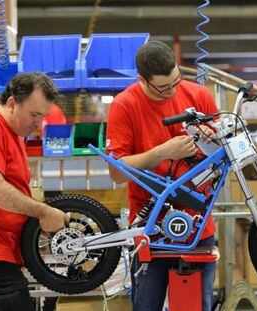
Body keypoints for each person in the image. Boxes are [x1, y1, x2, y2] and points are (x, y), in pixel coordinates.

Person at [106, 41, 218, 311]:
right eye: (164, 87)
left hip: (198, 225)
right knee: (146, 306)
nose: (172, 91)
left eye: (176, 81)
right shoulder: (125, 105)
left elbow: (223, 154)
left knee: (197, 306)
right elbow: (116, 172)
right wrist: (161, 153)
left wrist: (213, 141)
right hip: (150, 226)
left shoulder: (199, 96)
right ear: (142, 79)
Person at [0, 73, 69, 311]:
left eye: (43, 116)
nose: (39, 123)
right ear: (12, 103)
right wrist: (43, 211)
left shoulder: (14, 134)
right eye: (34, 114)